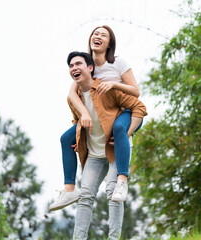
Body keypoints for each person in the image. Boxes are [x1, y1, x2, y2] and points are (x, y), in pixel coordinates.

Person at [50, 25, 141, 211]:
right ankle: (69, 189)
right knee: (66, 139)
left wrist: (114, 85)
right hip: (103, 116)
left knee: (118, 128)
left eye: (103, 35)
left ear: (109, 43)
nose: (98, 36)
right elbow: (72, 93)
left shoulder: (117, 62)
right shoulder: (86, 65)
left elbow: (136, 91)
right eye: (95, 34)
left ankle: (122, 180)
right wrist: (83, 115)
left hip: (126, 112)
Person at [64, 51, 147, 239]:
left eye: (78, 64)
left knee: (113, 192)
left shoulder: (105, 89)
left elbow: (139, 107)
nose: (74, 68)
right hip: (94, 154)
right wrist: (79, 139)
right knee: (85, 195)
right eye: (71, 65)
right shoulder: (73, 97)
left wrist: (126, 133)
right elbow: (76, 121)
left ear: (90, 68)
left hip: (115, 151)